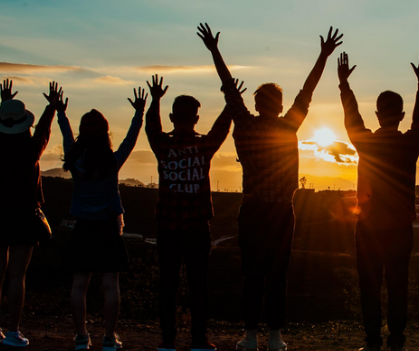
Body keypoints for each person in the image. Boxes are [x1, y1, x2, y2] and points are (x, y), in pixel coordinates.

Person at [197, 23, 343, 351]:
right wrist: (322, 55)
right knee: (278, 275)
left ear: (258, 103)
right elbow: (308, 90)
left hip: (252, 211)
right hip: (280, 212)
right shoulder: (288, 125)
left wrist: (214, 51)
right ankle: (275, 337)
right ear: (278, 105)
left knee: (252, 275)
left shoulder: (245, 125)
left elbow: (228, 88)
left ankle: (249, 336)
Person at [338, 51, 419, 351]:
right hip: (401, 227)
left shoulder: (366, 142)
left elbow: (352, 118)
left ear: (377, 115)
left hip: (368, 228)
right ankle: (397, 340)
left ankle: (373, 341)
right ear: (401, 115)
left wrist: (344, 86)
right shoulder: (410, 144)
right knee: (397, 285)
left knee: (370, 287)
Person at [146, 74, 237, 351]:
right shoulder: (203, 145)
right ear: (197, 118)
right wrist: (230, 101)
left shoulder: (162, 146)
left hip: (167, 226)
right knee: (199, 286)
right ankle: (199, 340)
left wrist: (155, 100)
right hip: (197, 227)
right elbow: (222, 128)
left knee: (168, 285)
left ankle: (168, 341)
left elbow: (151, 126)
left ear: (173, 117)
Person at [57, 88, 147, 351]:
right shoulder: (112, 161)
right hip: (109, 226)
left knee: (79, 284)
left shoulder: (75, 160)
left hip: (83, 225)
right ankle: (109, 337)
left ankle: (81, 337)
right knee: (110, 285)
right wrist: (139, 113)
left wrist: (61, 112)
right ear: (105, 133)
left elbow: (65, 136)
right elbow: (130, 139)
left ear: (83, 132)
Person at [0, 79, 63, 348]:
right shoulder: (30, 149)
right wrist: (52, 106)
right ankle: (13, 331)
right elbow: (45, 132)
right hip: (24, 215)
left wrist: (4, 103)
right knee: (17, 275)